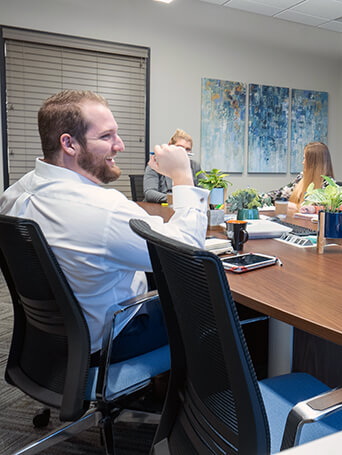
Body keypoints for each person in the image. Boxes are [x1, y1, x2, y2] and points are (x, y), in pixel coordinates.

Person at [0, 90, 209, 362]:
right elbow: (190, 256)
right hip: (113, 339)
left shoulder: (14, 193)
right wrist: (182, 174)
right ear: (69, 144)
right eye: (106, 136)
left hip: (51, 339)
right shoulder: (104, 209)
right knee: (211, 309)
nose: (119, 145)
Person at [264, 141, 334, 211]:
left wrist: (296, 207)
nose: (303, 162)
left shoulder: (329, 185)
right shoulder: (301, 177)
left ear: (314, 163)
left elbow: (323, 209)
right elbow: (281, 193)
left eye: (305, 159)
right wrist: (264, 197)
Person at [143, 128, 203, 203]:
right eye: (180, 147)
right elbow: (150, 193)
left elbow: (203, 190)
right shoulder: (156, 165)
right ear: (170, 146)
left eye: (187, 149)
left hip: (186, 206)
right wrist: (176, 199)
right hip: (162, 207)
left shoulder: (195, 166)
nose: (183, 152)